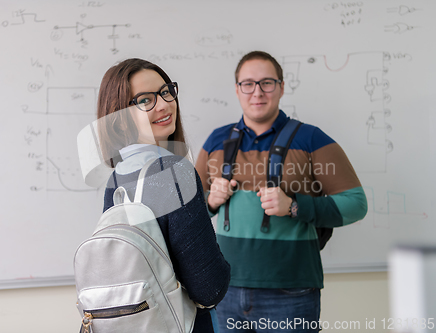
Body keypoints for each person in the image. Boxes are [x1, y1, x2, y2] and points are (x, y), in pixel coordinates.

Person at [195, 51, 368, 332]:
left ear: (282, 87)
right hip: (224, 290)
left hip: (292, 292)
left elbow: (356, 204)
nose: (257, 92)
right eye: (248, 84)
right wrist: (210, 202)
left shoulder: (311, 139)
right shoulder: (217, 140)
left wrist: (294, 206)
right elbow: (188, 213)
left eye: (267, 83)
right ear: (237, 89)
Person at [97, 58, 230, 333]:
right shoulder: (174, 172)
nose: (164, 104)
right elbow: (209, 288)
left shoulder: (116, 178)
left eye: (166, 91)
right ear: (119, 119)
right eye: (145, 100)